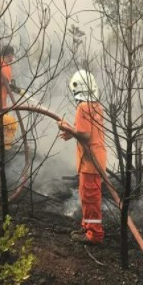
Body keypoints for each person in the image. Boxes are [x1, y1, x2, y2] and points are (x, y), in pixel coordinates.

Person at [58, 70, 107, 245]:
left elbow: (85, 135)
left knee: (91, 198)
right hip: (94, 159)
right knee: (86, 196)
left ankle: (94, 234)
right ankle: (86, 226)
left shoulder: (83, 106)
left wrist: (67, 128)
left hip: (91, 162)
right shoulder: (95, 105)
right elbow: (86, 131)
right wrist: (71, 132)